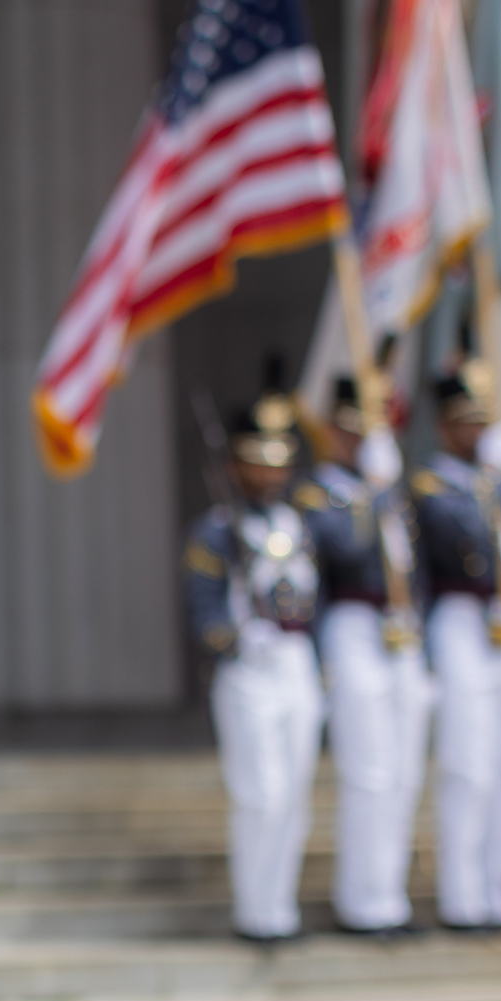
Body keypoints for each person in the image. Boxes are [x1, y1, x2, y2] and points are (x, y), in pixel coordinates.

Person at [184, 387, 324, 943]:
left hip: (295, 661)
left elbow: (318, 596)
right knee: (260, 792)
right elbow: (202, 603)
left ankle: (280, 907)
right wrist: (234, 639)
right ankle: (254, 908)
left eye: (278, 464)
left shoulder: (298, 525)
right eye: (256, 463)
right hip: (249, 670)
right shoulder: (217, 531)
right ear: (234, 465)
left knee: (293, 792)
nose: (269, 476)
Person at [299, 377, 431, 937]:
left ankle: (390, 895)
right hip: (351, 626)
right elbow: (347, 548)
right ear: (331, 432)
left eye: (366, 433)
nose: (356, 443)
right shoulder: (317, 494)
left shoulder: (387, 494)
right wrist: (377, 494)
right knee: (370, 771)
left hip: (397, 631)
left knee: (403, 772)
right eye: (349, 432)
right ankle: (360, 899)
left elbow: (414, 566)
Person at [412, 367, 501, 931]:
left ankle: (498, 888)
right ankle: (460, 894)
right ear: (444, 428)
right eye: (467, 423)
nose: (477, 433)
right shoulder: (434, 486)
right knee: (469, 763)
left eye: (483, 422)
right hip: (463, 618)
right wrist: (489, 484)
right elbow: (460, 538)